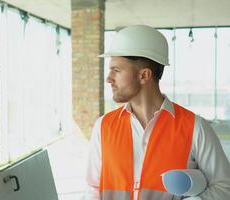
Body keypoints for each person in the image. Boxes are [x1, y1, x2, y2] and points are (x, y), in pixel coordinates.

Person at [83, 25, 230, 200]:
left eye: (116, 70)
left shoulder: (195, 127)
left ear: (144, 75)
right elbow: (93, 187)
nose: (109, 78)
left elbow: (223, 187)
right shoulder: (104, 126)